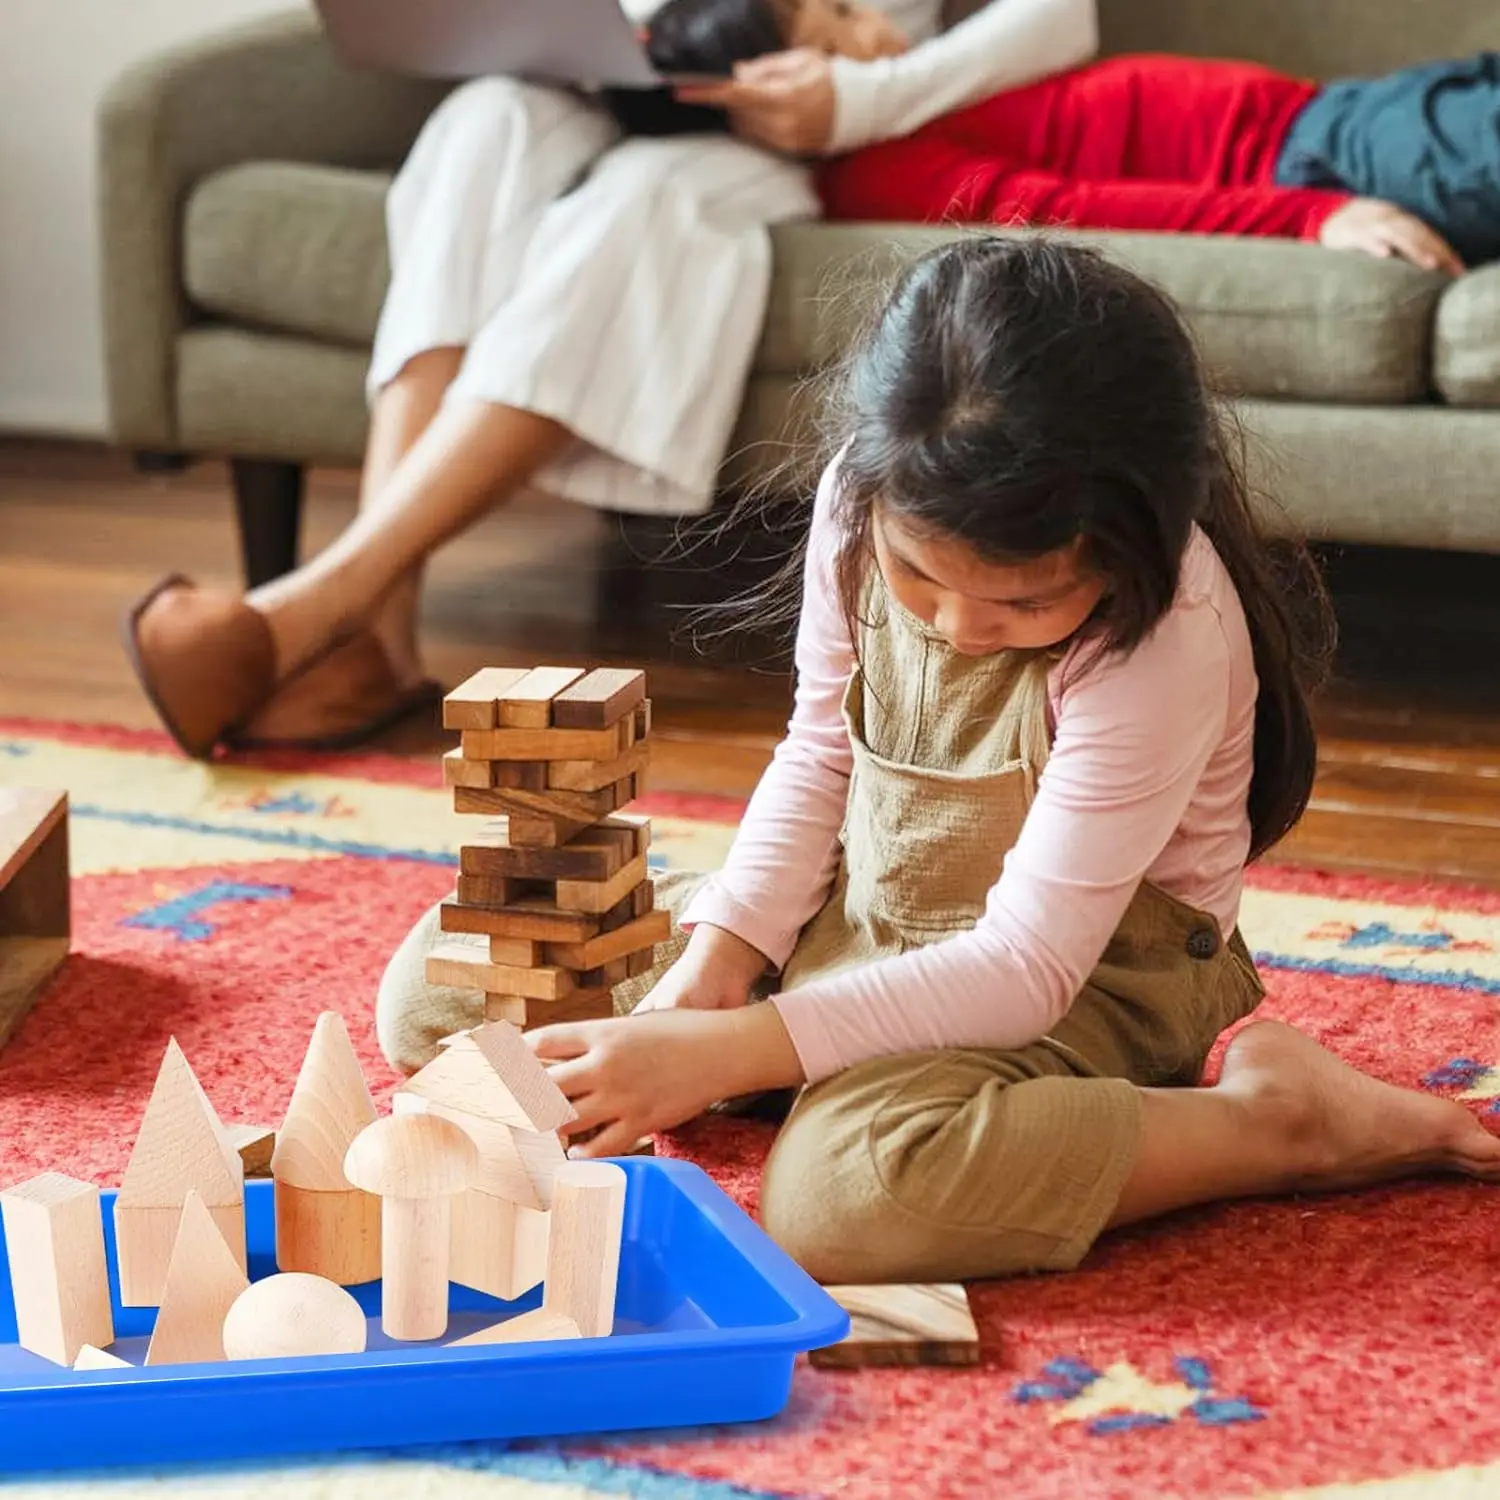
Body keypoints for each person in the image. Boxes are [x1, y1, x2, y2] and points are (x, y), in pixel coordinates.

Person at [378, 237, 1500, 1285]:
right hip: (862, 922)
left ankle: (1270, 1122)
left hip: (1084, 983)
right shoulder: (863, 504)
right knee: (442, 982)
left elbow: (1023, 968)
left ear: (1136, 538)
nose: (960, 627)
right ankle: (812, 1066)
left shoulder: (1166, 636)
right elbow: (821, 752)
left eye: (1025, 598)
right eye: (922, 578)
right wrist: (710, 972)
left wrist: (720, 1052)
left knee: (845, 1202)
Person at [120, 0, 1099, 758]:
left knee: (645, 207)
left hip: (822, 121)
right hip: (625, 80)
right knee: (483, 127)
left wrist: (856, 99)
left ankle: (321, 608)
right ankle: (384, 637)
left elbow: (1064, 16)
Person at [661, 0, 1499, 271]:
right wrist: (1312, 216)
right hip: (1323, 154)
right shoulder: (881, 176)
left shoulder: (915, 96)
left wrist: (870, 90)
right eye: (842, 20)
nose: (876, 21)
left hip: (1354, 111)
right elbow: (1085, 213)